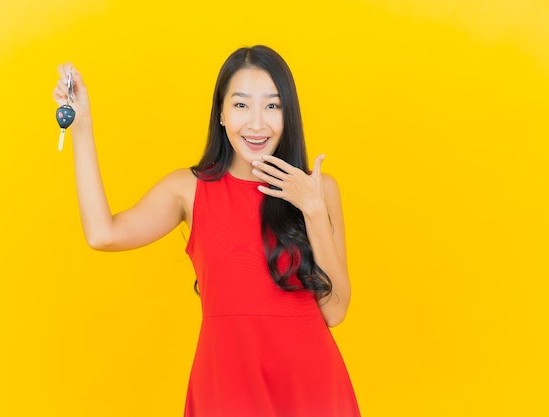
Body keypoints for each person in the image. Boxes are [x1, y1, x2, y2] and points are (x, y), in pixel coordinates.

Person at [53, 45, 360, 417]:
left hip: (312, 393)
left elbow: (336, 311)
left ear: (288, 114)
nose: (257, 124)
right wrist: (83, 127)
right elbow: (103, 234)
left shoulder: (320, 189)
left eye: (272, 106)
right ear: (221, 114)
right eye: (242, 105)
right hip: (225, 389)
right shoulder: (189, 189)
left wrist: (312, 210)